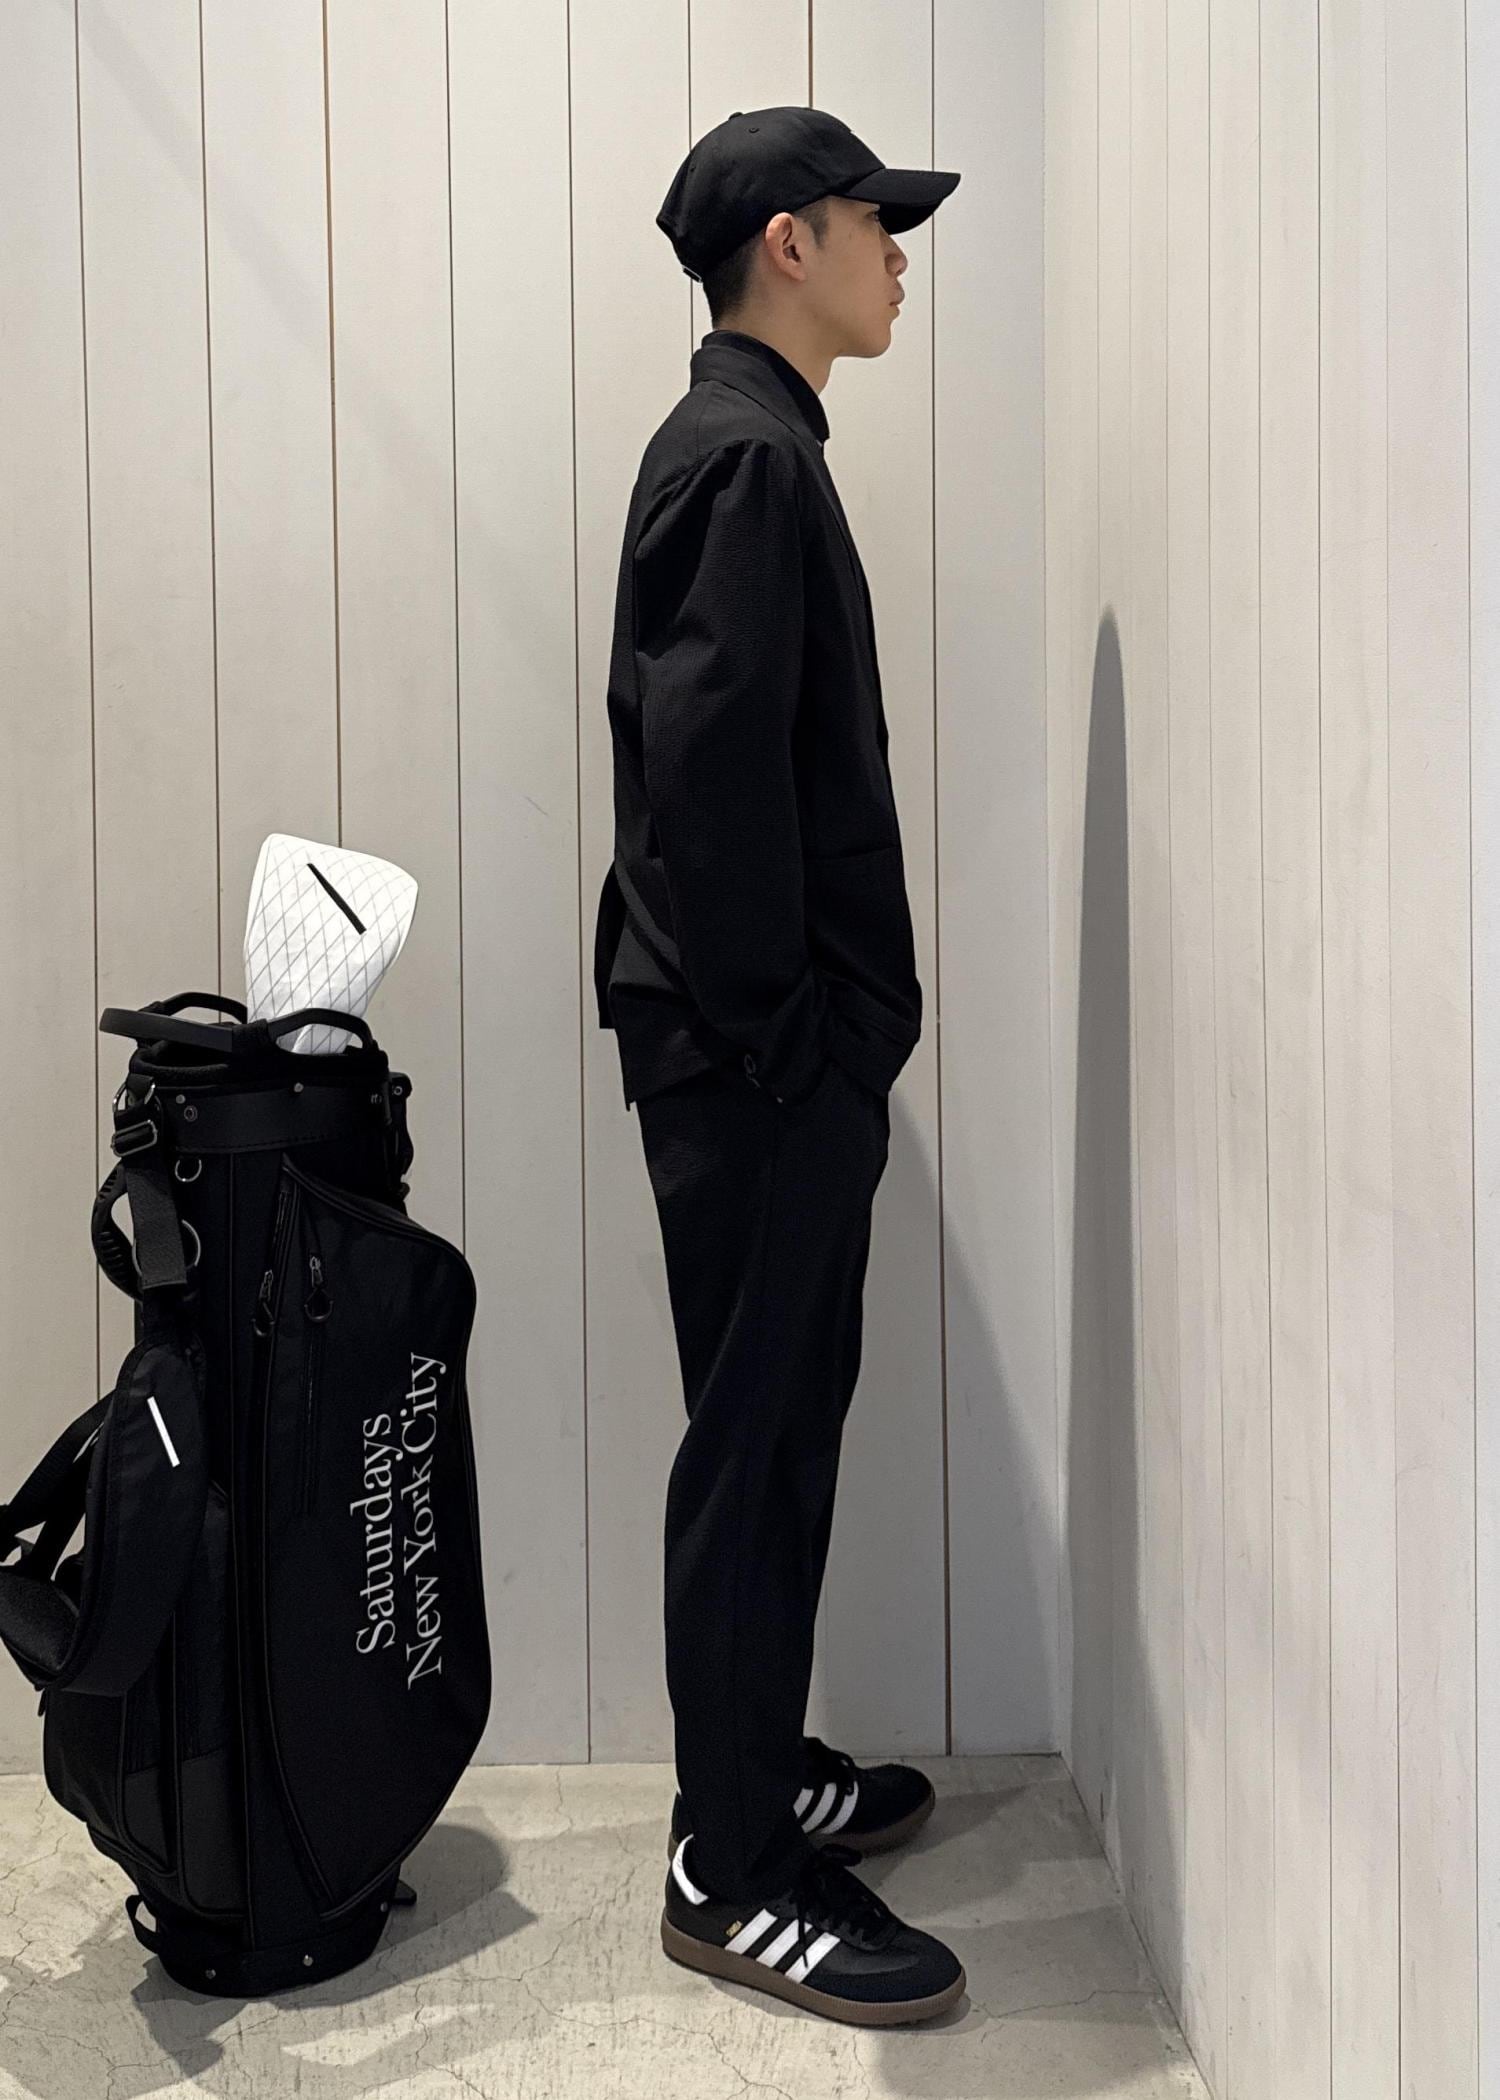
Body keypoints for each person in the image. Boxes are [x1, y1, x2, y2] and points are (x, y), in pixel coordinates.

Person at [592, 106, 965, 2026]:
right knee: (752, 1452)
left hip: (760, 1054)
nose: (900, 254)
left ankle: (753, 1771)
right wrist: (799, 1044)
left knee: (775, 1433)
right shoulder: (743, 459)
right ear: (787, 245)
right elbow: (712, 788)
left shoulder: (754, 445)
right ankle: (726, 1870)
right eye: (873, 220)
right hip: (752, 1064)